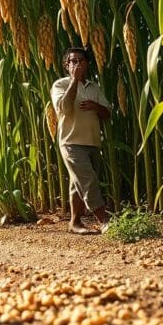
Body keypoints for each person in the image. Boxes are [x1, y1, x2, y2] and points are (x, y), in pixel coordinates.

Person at [50, 46, 112, 234]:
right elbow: (64, 108)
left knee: (78, 182)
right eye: (72, 61)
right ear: (66, 65)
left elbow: (107, 113)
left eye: (81, 61)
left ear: (87, 64)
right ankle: (104, 220)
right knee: (88, 179)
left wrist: (96, 106)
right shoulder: (60, 85)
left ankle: (75, 223)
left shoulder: (94, 88)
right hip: (70, 142)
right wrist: (74, 81)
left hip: (93, 142)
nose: (77, 64)